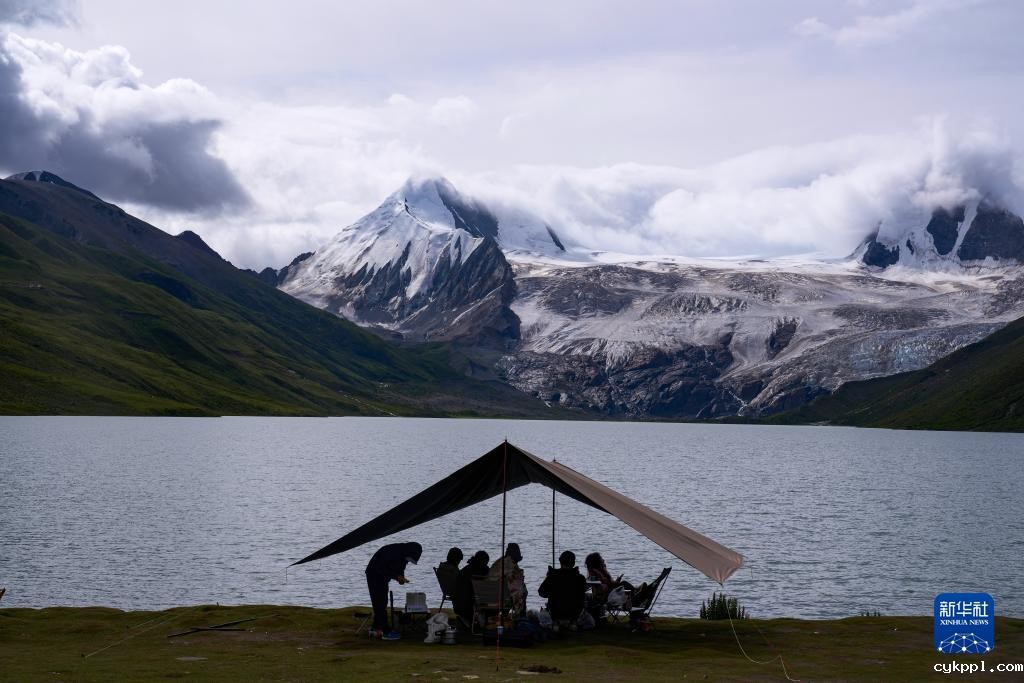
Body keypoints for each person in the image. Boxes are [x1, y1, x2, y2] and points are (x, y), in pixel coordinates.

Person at [365, 541, 422, 639]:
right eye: (409, 560)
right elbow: (381, 567)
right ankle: (385, 631)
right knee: (379, 602)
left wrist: (401, 577)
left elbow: (401, 568)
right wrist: (396, 576)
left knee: (382, 601)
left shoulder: (404, 555)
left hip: (383, 577)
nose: (408, 561)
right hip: (374, 574)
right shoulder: (393, 552)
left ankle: (376, 628)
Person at [538, 550, 587, 622]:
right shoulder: (581, 578)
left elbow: (541, 592)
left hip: (555, 614)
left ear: (560, 561)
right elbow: (582, 596)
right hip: (574, 614)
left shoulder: (552, 576)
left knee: (541, 614)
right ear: (573, 563)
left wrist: (551, 589)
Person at [489, 542, 527, 616]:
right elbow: (516, 587)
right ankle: (521, 618)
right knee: (522, 593)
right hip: (501, 599)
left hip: (488, 597)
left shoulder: (499, 562)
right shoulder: (511, 566)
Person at [453, 550, 490, 626]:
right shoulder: (480, 572)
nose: (487, 565)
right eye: (486, 563)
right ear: (483, 562)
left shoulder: (466, 569)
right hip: (468, 605)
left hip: (457, 604)